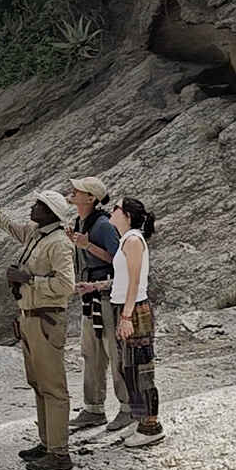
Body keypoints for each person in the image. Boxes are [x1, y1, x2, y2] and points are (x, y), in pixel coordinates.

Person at [0, 174, 77, 470]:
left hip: (47, 320)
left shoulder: (59, 244)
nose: (33, 206)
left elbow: (66, 285)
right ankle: (47, 442)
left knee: (53, 386)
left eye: (39, 204)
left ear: (51, 212)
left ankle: (60, 452)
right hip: (31, 318)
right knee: (38, 383)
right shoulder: (36, 234)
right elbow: (4, 223)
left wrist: (29, 280)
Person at [65, 176, 130, 434]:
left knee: (115, 355)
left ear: (90, 198)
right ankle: (93, 409)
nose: (72, 191)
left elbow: (120, 261)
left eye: (78, 190)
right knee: (91, 354)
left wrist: (86, 245)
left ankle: (127, 409)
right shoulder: (82, 222)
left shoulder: (102, 226)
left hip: (106, 297)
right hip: (89, 297)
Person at [110, 195, 165, 446]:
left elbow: (134, 282)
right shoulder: (125, 240)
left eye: (116, 208)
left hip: (134, 310)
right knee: (128, 368)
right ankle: (139, 420)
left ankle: (151, 426)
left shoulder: (133, 240)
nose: (111, 211)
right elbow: (123, 281)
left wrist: (126, 316)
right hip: (125, 306)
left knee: (142, 369)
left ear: (127, 215)